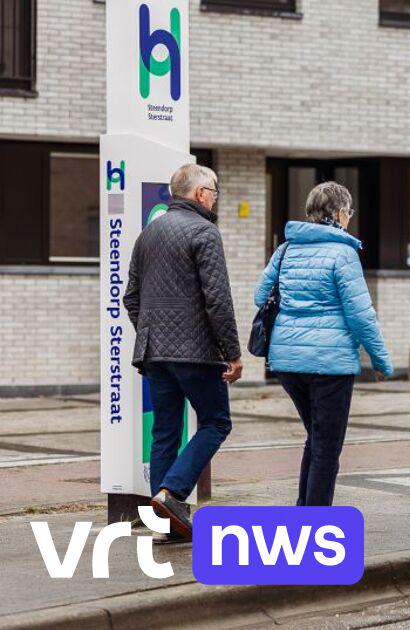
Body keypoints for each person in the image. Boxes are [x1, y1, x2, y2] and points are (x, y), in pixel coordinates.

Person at [255, 181, 393, 506]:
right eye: (349, 212)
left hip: (288, 362)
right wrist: (381, 361)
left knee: (316, 439)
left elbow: (260, 296)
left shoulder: (285, 250)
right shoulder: (343, 254)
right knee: (327, 448)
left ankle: (303, 515)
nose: (350, 217)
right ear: (341, 213)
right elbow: (361, 315)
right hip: (330, 365)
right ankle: (315, 525)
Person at [124, 163, 242, 541]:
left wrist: (152, 333)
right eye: (214, 192)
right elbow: (217, 300)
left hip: (154, 354)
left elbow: (131, 297)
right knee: (217, 422)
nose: (215, 199)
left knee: (165, 434)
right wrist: (233, 352)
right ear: (200, 193)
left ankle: (164, 526)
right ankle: (171, 493)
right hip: (196, 353)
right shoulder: (204, 232)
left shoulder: (149, 234)